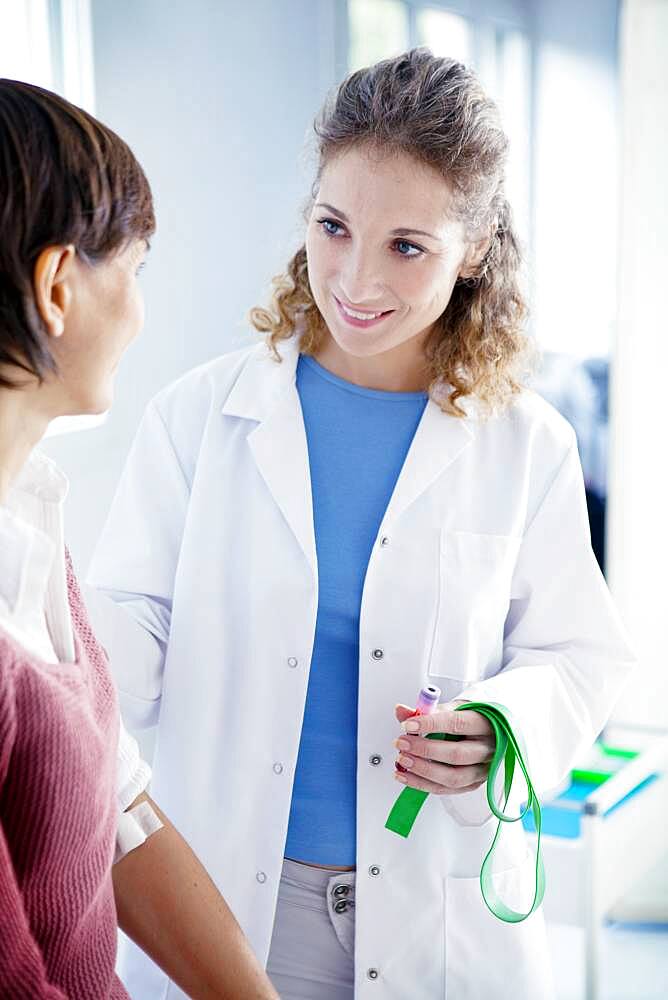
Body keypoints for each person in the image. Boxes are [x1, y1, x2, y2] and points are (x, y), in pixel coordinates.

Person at [87, 50, 635, 999]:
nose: (353, 276)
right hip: (231, 909)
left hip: (441, 919)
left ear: (474, 251)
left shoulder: (525, 447)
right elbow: (121, 628)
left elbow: (577, 658)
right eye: (333, 226)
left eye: (407, 246)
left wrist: (499, 728)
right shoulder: (198, 418)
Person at [0, 79, 278, 999]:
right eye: (136, 269)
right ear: (55, 286)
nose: (142, 313)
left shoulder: (32, 518)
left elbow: (118, 808)